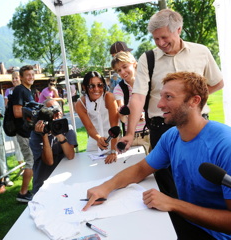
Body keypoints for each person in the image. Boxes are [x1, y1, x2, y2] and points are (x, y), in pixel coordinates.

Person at [83, 72, 231, 240]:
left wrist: (174, 204)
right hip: (187, 221)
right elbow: (141, 169)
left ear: (194, 101)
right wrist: (106, 187)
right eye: (161, 97)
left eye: (168, 97)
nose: (159, 104)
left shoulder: (225, 145)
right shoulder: (172, 136)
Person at [119, 8, 224, 201]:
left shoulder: (201, 52)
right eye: (156, 39)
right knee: (166, 186)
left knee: (203, 183)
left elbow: (218, 82)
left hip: (197, 128)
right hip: (162, 129)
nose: (160, 43)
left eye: (164, 37)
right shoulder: (147, 58)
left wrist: (190, 102)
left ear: (179, 30)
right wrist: (130, 133)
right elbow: (138, 97)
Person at [30, 99, 77, 194]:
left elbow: (70, 156)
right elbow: (49, 161)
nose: (57, 113)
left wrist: (60, 135)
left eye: (58, 109)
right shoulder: (36, 134)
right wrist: (44, 135)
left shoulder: (67, 128)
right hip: (43, 181)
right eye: (52, 111)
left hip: (62, 177)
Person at [75, 71, 119, 164]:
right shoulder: (80, 104)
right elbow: (89, 128)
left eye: (100, 85)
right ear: (84, 87)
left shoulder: (109, 97)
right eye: (91, 86)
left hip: (114, 142)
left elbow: (114, 126)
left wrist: (113, 151)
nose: (96, 89)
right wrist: (98, 138)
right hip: (94, 143)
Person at [111, 52, 150, 154]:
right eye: (119, 70)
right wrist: (128, 115)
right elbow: (123, 117)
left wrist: (145, 115)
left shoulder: (147, 82)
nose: (123, 72)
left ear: (133, 63)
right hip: (134, 138)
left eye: (125, 67)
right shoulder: (119, 89)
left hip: (152, 133)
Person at [11, 65, 35, 202]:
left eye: (32, 74)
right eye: (28, 75)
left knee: (33, 160)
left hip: (29, 132)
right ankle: (23, 193)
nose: (31, 77)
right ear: (21, 77)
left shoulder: (28, 90)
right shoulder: (20, 90)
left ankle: (32, 188)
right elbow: (17, 112)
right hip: (23, 132)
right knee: (30, 161)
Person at [4, 71, 24, 165]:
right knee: (17, 144)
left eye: (16, 78)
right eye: (13, 78)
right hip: (13, 121)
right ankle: (21, 165)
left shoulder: (24, 89)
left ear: (20, 78)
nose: (14, 80)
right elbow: (6, 105)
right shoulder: (9, 91)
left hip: (24, 120)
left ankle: (30, 163)